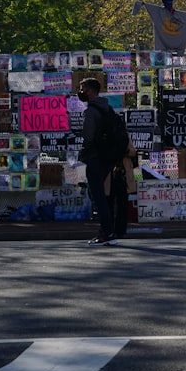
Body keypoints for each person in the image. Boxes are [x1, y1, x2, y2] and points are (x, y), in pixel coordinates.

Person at [78, 77, 118, 246]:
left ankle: (106, 232)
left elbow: (87, 136)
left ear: (91, 91)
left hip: (94, 157)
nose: (80, 92)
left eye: (83, 88)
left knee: (97, 196)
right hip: (107, 157)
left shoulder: (91, 111)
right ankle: (109, 230)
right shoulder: (107, 108)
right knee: (102, 195)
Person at [106, 136, 137, 240]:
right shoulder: (104, 136)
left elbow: (133, 152)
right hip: (109, 175)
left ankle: (120, 230)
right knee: (108, 203)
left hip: (123, 175)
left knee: (123, 204)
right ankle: (109, 229)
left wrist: (125, 151)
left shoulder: (125, 137)